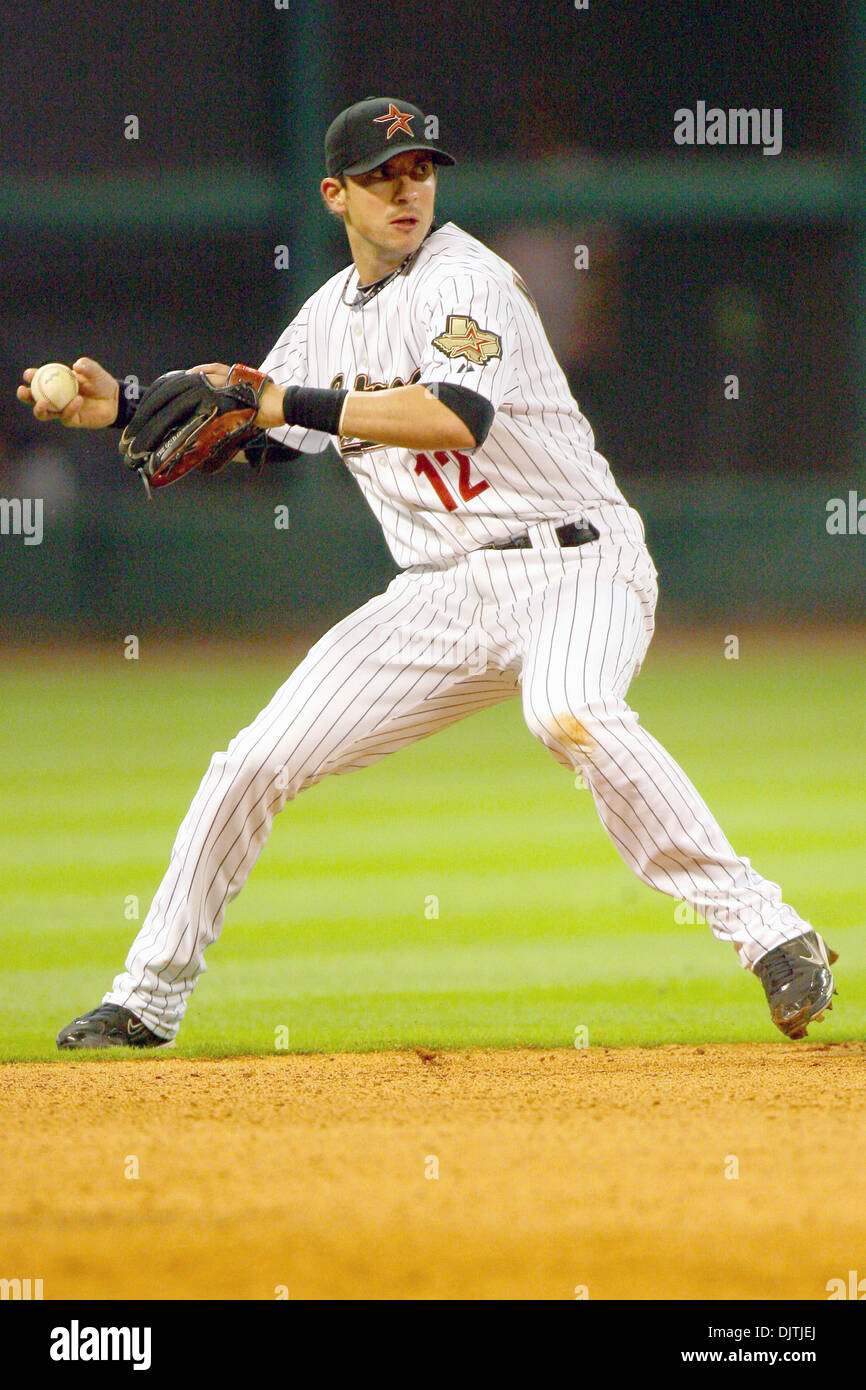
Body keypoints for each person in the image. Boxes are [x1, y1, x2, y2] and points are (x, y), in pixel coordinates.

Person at [17, 96, 836, 1049]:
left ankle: (773, 934)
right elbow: (259, 432)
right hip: (438, 597)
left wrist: (277, 397)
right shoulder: (328, 316)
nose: (406, 190)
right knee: (252, 763)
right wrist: (113, 407)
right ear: (335, 195)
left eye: (420, 170)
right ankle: (145, 1001)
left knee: (568, 710)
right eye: (381, 176)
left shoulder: (467, 278)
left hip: (578, 563)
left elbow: (454, 415)